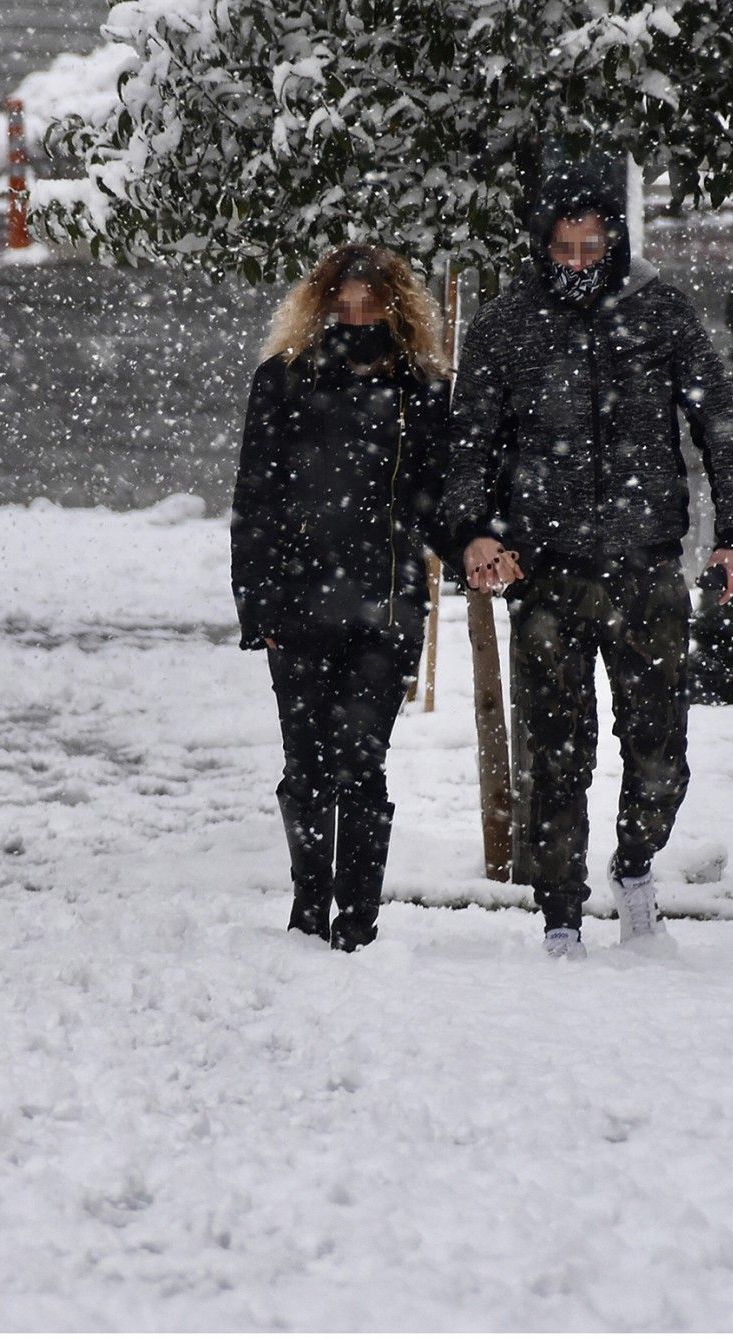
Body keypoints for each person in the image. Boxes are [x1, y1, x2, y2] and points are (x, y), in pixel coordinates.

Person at [443, 158, 733, 960]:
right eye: (565, 249)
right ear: (541, 244)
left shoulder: (660, 313)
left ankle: (635, 865)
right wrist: (473, 534)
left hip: (646, 566)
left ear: (617, 239)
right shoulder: (507, 325)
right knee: (557, 755)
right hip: (545, 573)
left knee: (661, 753)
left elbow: (720, 421)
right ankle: (559, 911)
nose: (581, 263)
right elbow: (467, 446)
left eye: (594, 247)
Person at [232, 245, 452, 951]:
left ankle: (357, 922)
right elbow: (255, 500)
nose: (356, 316)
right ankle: (307, 911)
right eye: (343, 303)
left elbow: (441, 498)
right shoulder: (283, 381)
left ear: (397, 308)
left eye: (370, 303)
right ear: (321, 304)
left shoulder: (422, 389)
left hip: (387, 607)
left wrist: (481, 541)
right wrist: (256, 603)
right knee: (306, 767)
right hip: (298, 608)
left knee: (362, 762)